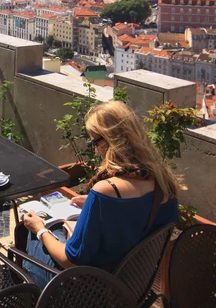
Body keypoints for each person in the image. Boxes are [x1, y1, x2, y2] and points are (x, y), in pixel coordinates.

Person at [22, 100, 179, 288]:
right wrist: (92, 202)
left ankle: (31, 292)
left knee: (31, 232)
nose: (96, 150)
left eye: (96, 141)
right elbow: (138, 213)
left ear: (112, 140)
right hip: (133, 285)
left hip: (90, 290)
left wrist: (39, 229)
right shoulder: (164, 183)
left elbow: (70, 260)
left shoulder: (106, 191)